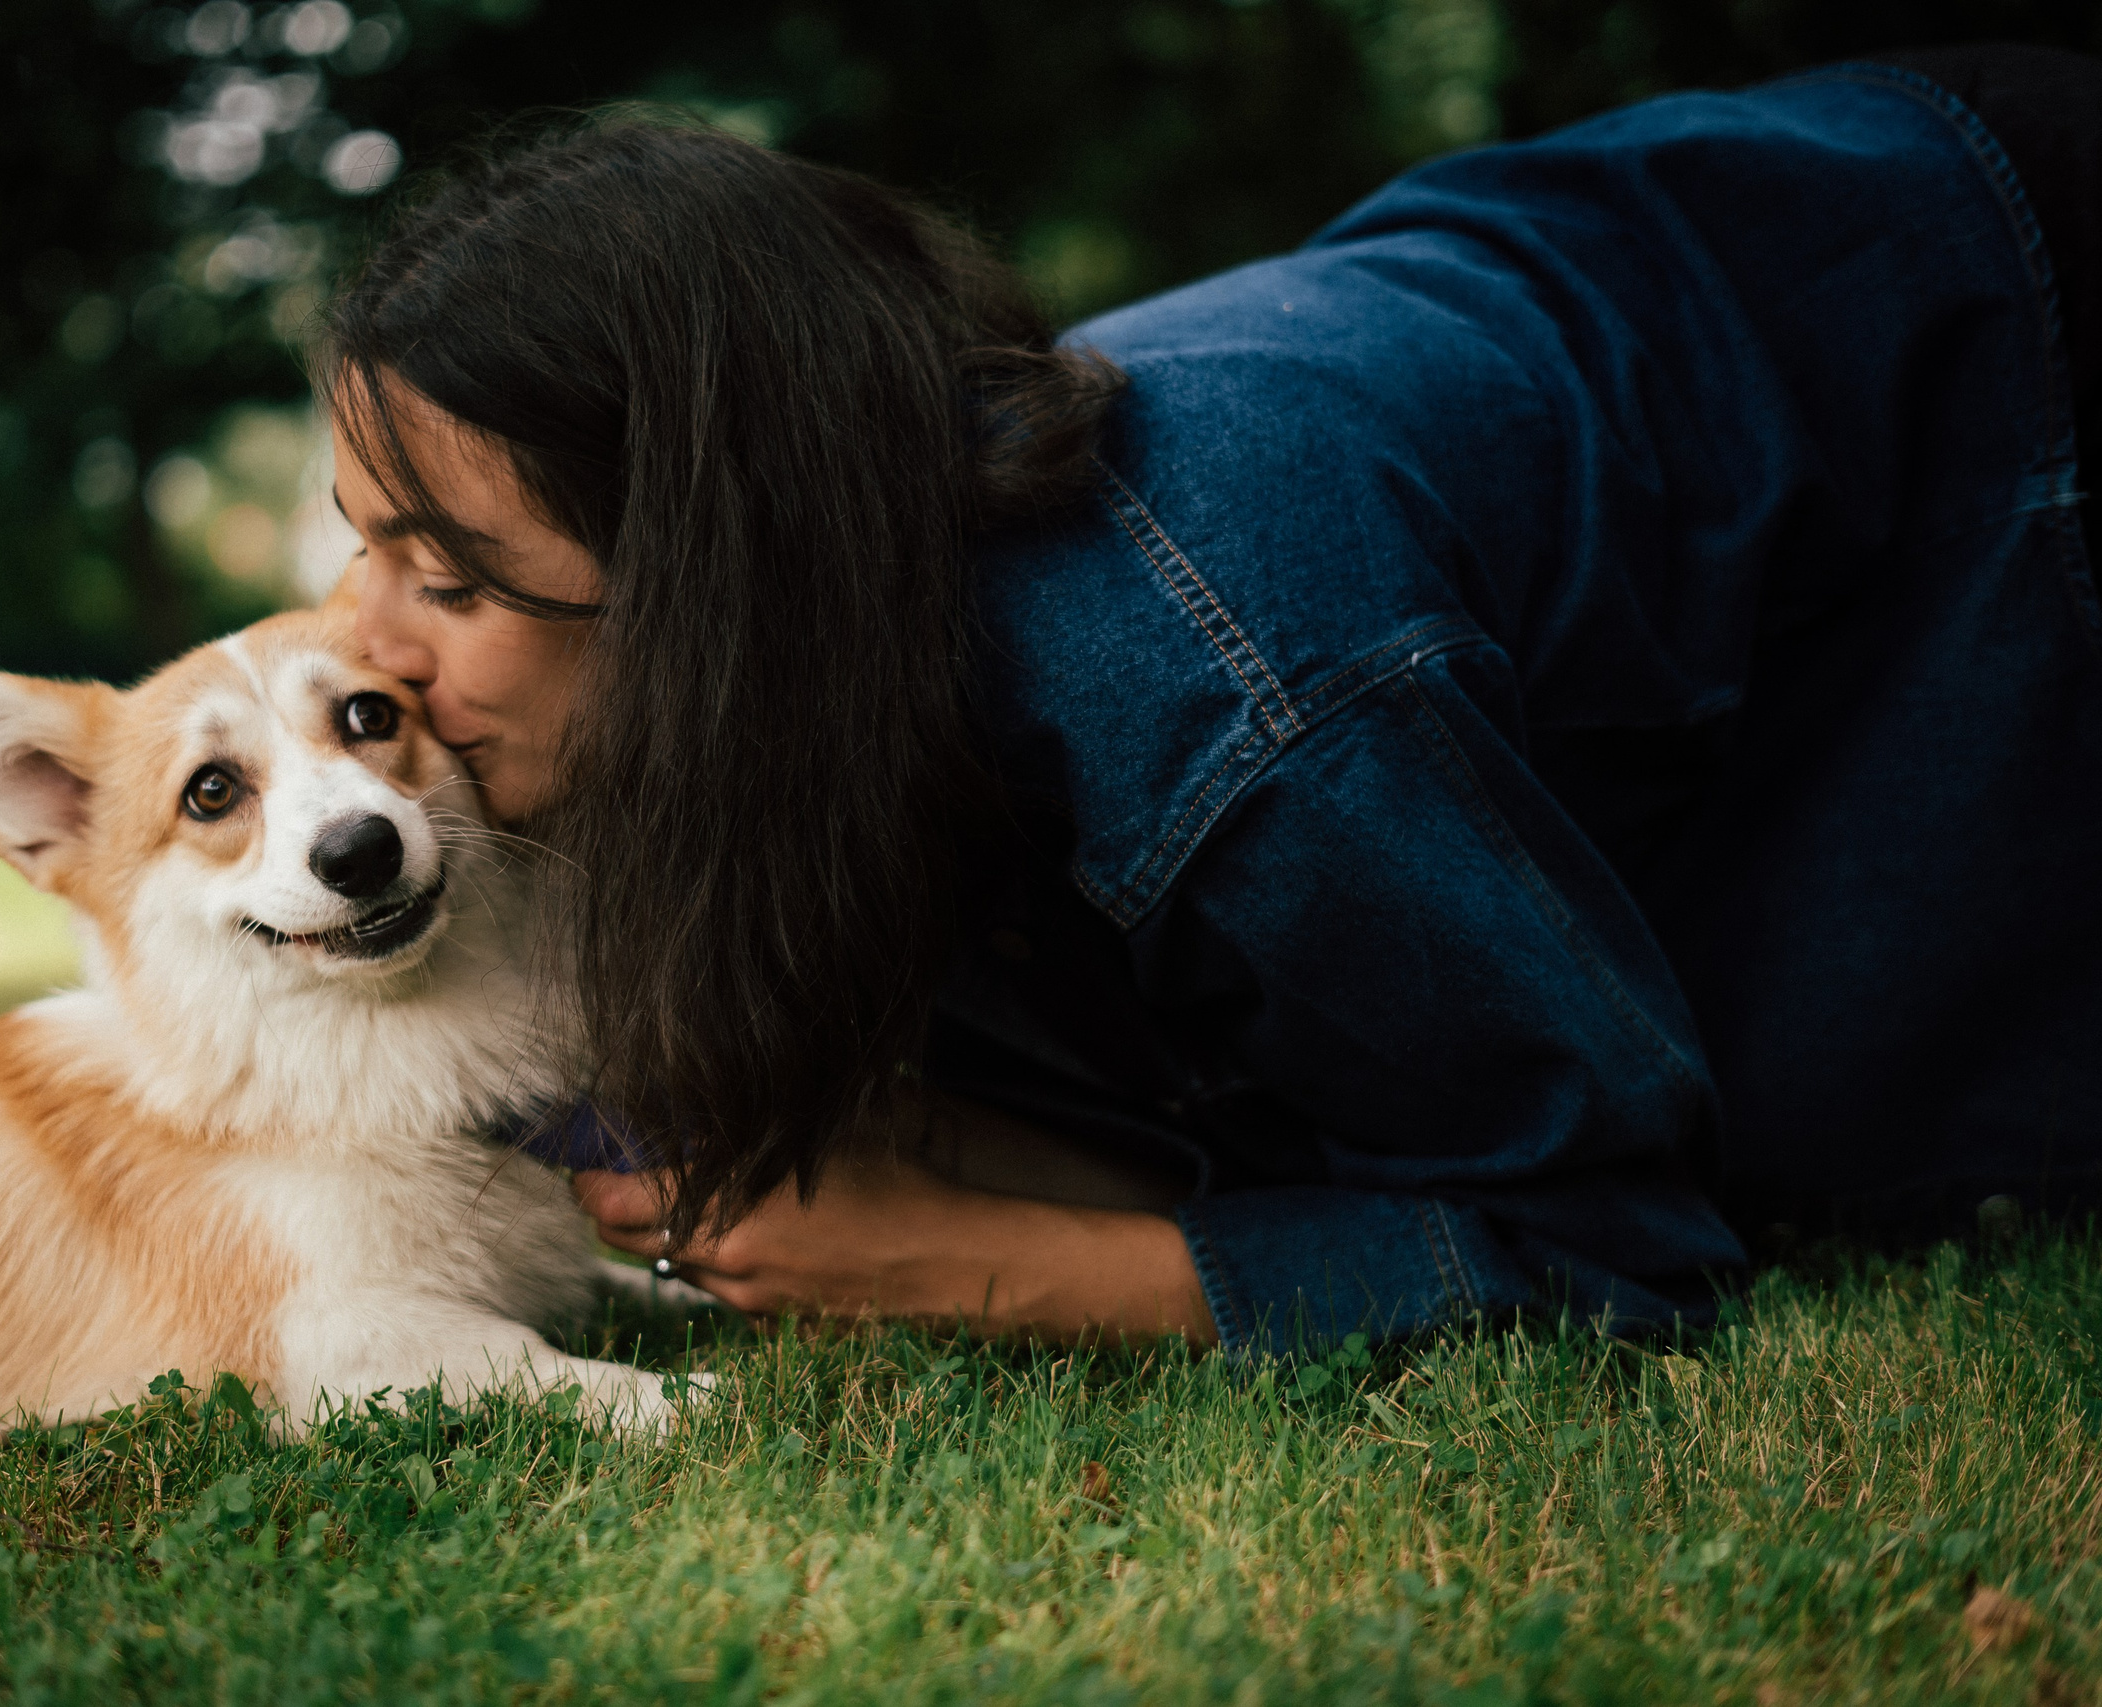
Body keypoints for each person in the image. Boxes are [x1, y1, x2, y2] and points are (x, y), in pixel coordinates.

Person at [316, 45, 2102, 1354]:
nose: (358, 635)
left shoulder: (1220, 681)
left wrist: (941, 1256)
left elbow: (1616, 1251)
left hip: (1986, 335)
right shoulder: (861, 640)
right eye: (366, 547)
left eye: (451, 577)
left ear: (725, 583)